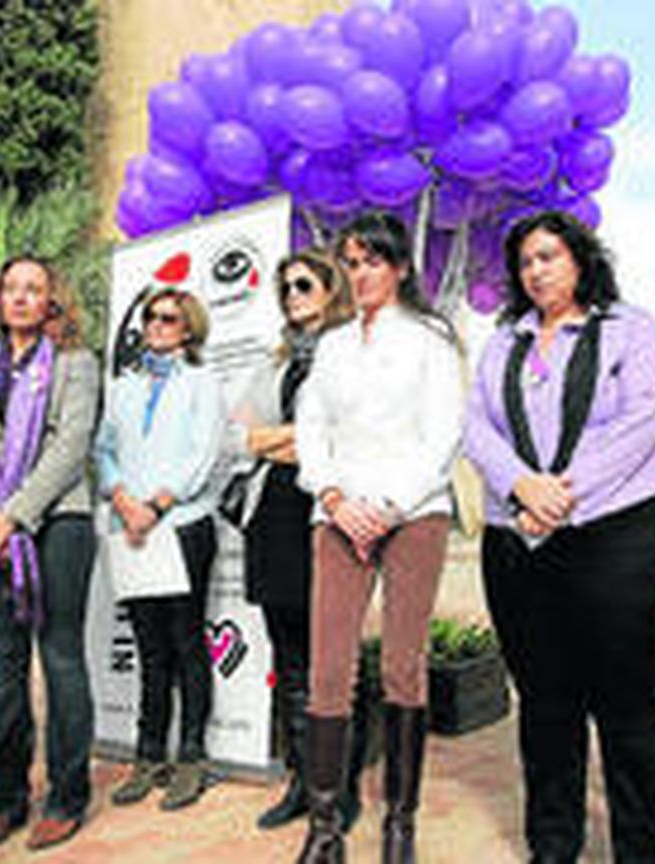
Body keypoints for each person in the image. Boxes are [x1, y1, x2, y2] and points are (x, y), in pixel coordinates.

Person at [464, 210, 655, 862]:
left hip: (620, 532)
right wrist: (521, 488)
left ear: (581, 260)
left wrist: (562, 494)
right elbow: (475, 425)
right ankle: (553, 846)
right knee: (545, 703)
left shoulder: (629, 329)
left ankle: (644, 851)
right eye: (526, 262)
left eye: (549, 257)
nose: (536, 272)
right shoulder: (504, 342)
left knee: (630, 706)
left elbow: (648, 416)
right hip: (518, 537)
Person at [293, 211, 462, 864]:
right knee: (328, 670)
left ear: (398, 266)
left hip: (414, 512)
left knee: (401, 665)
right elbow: (311, 428)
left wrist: (387, 507)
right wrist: (334, 497)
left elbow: (443, 433)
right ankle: (325, 827)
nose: (360, 273)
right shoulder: (332, 346)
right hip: (336, 515)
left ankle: (400, 822)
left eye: (371, 261)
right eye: (352, 262)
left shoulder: (430, 338)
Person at [0, 255, 99, 852]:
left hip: (58, 518)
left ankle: (67, 795)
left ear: (51, 301)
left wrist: (14, 514)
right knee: (1, 666)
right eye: (10, 287)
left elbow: (72, 445)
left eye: (33, 289)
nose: (20, 297)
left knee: (60, 658)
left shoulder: (75, 363)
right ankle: (5, 797)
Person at [227, 249, 362, 831]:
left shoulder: (355, 353)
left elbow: (345, 437)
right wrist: (294, 439)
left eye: (303, 284)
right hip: (273, 517)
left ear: (331, 289)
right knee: (289, 658)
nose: (293, 295)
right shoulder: (274, 362)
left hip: (327, 513)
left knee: (332, 662)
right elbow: (241, 437)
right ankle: (303, 783)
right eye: (285, 288)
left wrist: (287, 441)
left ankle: (340, 789)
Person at [94, 287, 225, 811]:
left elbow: (203, 453)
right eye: (151, 318)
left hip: (183, 525)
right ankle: (149, 755)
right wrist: (123, 498)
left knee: (186, 642)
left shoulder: (202, 384)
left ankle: (192, 756)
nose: (156, 326)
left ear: (188, 328)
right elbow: (104, 448)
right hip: (131, 528)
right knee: (149, 647)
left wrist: (156, 505)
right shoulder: (123, 386)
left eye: (168, 319)